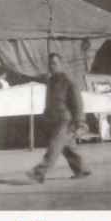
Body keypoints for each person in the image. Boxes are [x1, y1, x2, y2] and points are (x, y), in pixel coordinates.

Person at [26, 53, 91, 183]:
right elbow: (50, 102)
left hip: (65, 121)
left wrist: (80, 122)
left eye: (54, 63)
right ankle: (81, 170)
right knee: (67, 148)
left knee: (54, 146)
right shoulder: (51, 81)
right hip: (54, 120)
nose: (51, 66)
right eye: (50, 64)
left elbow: (77, 103)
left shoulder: (68, 82)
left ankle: (39, 172)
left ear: (61, 64)